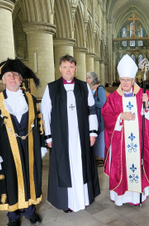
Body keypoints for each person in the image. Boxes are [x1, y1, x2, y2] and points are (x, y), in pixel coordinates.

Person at [0, 59, 45, 226]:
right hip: (7, 149)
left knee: (29, 177)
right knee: (11, 181)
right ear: (3, 79)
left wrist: (41, 144)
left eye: (16, 75)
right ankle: (13, 216)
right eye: (9, 75)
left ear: (21, 79)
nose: (12, 78)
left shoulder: (31, 99)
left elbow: (39, 122)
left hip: (29, 146)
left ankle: (30, 211)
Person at [41, 54, 100, 213]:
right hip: (61, 137)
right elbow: (45, 113)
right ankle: (66, 202)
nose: (68, 70)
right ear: (60, 69)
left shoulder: (84, 86)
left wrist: (92, 132)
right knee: (64, 167)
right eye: (65, 67)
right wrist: (48, 136)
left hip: (81, 135)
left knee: (82, 165)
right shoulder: (51, 88)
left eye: (71, 67)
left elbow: (91, 110)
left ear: (76, 69)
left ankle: (83, 199)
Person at [101, 54, 149, 206]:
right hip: (120, 143)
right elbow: (106, 115)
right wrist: (120, 116)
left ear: (134, 80)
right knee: (121, 167)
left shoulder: (143, 95)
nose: (125, 83)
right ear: (119, 80)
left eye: (128, 80)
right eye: (123, 79)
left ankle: (137, 196)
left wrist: (147, 106)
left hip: (138, 141)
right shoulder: (113, 97)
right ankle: (120, 197)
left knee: (136, 166)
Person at [86, 71, 106, 167]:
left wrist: (91, 104)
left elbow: (103, 103)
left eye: (88, 78)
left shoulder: (100, 89)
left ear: (92, 79)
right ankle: (95, 157)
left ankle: (101, 158)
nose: (86, 80)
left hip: (100, 117)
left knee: (100, 137)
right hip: (93, 117)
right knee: (94, 137)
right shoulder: (90, 89)